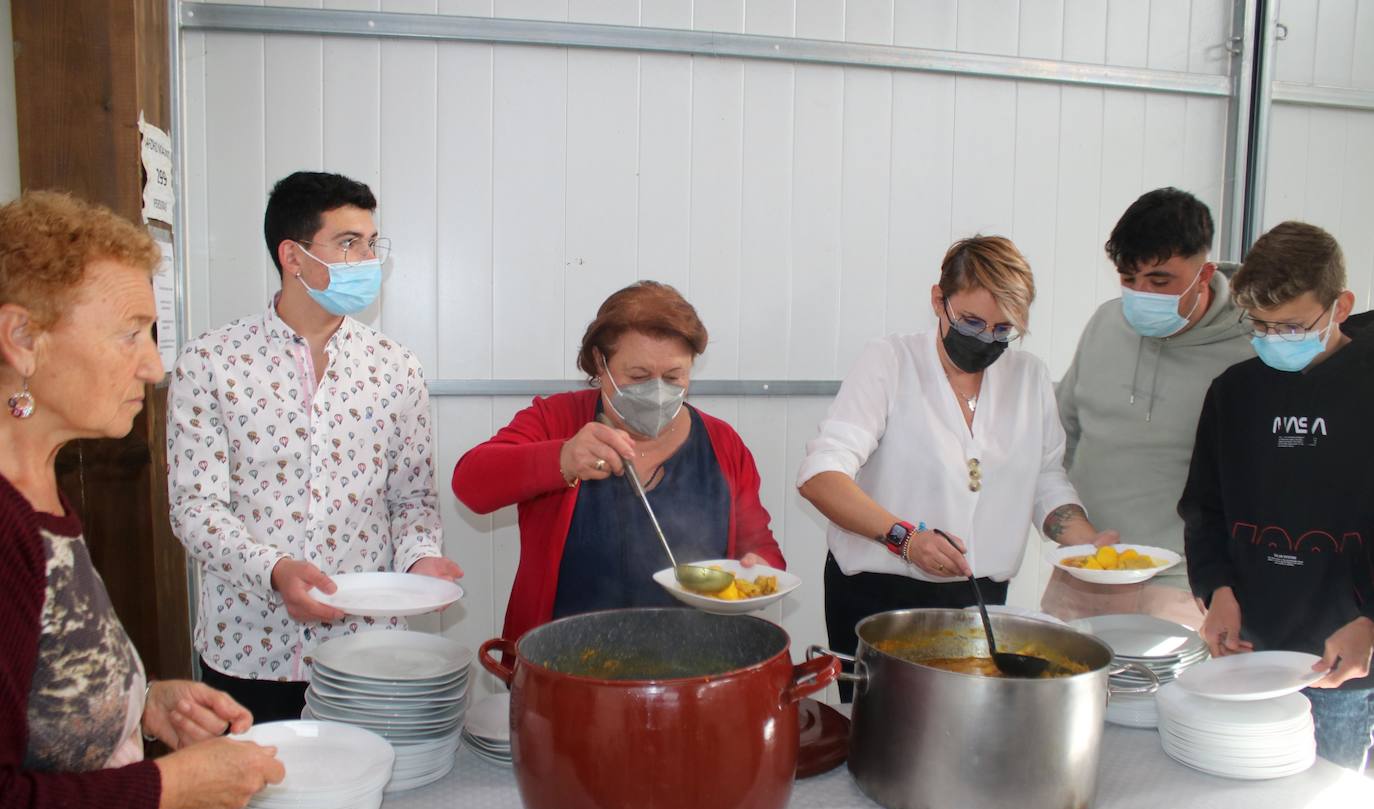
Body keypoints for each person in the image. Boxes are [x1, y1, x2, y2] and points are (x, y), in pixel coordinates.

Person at [0, 191, 284, 809]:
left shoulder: (40, 489)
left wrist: (139, 705)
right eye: (132, 333)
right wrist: (174, 785)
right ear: (22, 339)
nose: (155, 368)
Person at [168, 171, 461, 724]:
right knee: (257, 803)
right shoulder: (211, 362)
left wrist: (420, 557)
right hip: (250, 648)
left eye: (372, 244)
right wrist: (275, 570)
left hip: (366, 649)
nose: (368, 260)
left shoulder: (395, 368)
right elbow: (195, 509)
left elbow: (412, 498)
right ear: (293, 256)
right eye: (349, 243)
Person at [798, 236, 1113, 696]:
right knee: (885, 739)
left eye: (1003, 330)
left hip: (980, 598)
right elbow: (821, 477)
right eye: (971, 321)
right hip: (881, 594)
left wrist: (1087, 543)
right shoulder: (891, 361)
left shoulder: (1028, 378)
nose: (986, 339)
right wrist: (904, 538)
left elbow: (1047, 478)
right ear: (937, 301)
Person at [1180, 221, 1373, 809]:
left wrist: (1370, 622)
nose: (1272, 339)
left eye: (1290, 325)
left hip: (1340, 669)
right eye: (1258, 323)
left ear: (1341, 306)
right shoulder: (1234, 393)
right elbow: (1203, 510)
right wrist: (1217, 590)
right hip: (1249, 660)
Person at [452, 280, 783, 642]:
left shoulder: (722, 443)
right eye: (638, 376)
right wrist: (562, 458)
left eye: (674, 377)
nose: (658, 390)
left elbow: (759, 545)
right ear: (601, 363)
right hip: (560, 665)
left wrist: (758, 569)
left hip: (691, 665)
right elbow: (471, 484)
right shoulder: (556, 419)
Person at [1047, 188, 1252, 627]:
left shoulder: (1249, 349)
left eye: (1160, 282)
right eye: (1127, 279)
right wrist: (1072, 536)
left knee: (1163, 695)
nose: (1141, 295)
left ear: (1205, 273)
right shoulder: (1105, 323)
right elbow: (1060, 438)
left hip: (1183, 585)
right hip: (1087, 570)